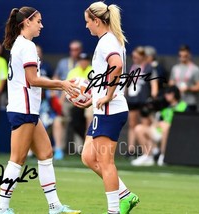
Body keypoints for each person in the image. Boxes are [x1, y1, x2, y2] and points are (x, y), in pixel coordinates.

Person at [0, 7, 81, 214]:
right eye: (39, 21)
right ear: (26, 22)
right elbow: (32, 80)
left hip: (27, 109)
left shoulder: (20, 44)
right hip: (23, 109)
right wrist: (61, 84)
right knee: (17, 160)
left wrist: (60, 84)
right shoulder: (27, 46)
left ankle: (54, 206)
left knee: (45, 153)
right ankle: (1, 209)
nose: (42, 25)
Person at [75, 2, 139, 214]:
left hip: (111, 110)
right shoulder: (108, 40)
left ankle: (114, 211)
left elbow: (117, 66)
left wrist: (108, 95)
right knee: (88, 157)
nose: (86, 27)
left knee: (105, 161)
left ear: (96, 21)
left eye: (87, 22)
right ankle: (126, 195)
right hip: (104, 109)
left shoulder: (107, 41)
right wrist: (92, 96)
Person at [132, 85, 187, 166]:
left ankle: (163, 155)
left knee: (166, 126)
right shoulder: (164, 106)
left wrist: (165, 124)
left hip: (174, 133)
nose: (166, 96)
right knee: (138, 128)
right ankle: (148, 156)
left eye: (169, 94)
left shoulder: (183, 105)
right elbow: (158, 122)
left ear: (174, 94)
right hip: (159, 131)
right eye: (166, 94)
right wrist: (150, 114)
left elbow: (184, 122)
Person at [125, 46, 158, 158]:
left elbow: (154, 84)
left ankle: (148, 151)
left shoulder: (149, 68)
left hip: (143, 99)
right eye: (133, 57)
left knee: (145, 125)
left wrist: (152, 99)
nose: (134, 59)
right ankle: (131, 149)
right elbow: (127, 83)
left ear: (143, 57)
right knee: (132, 124)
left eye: (137, 57)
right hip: (132, 99)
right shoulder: (132, 68)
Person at [169, 45, 199, 112]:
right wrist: (174, 87)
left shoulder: (195, 69)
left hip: (189, 102)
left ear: (189, 55)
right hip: (177, 102)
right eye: (180, 56)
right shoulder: (175, 68)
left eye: (185, 56)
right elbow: (171, 82)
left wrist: (188, 88)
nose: (182, 58)